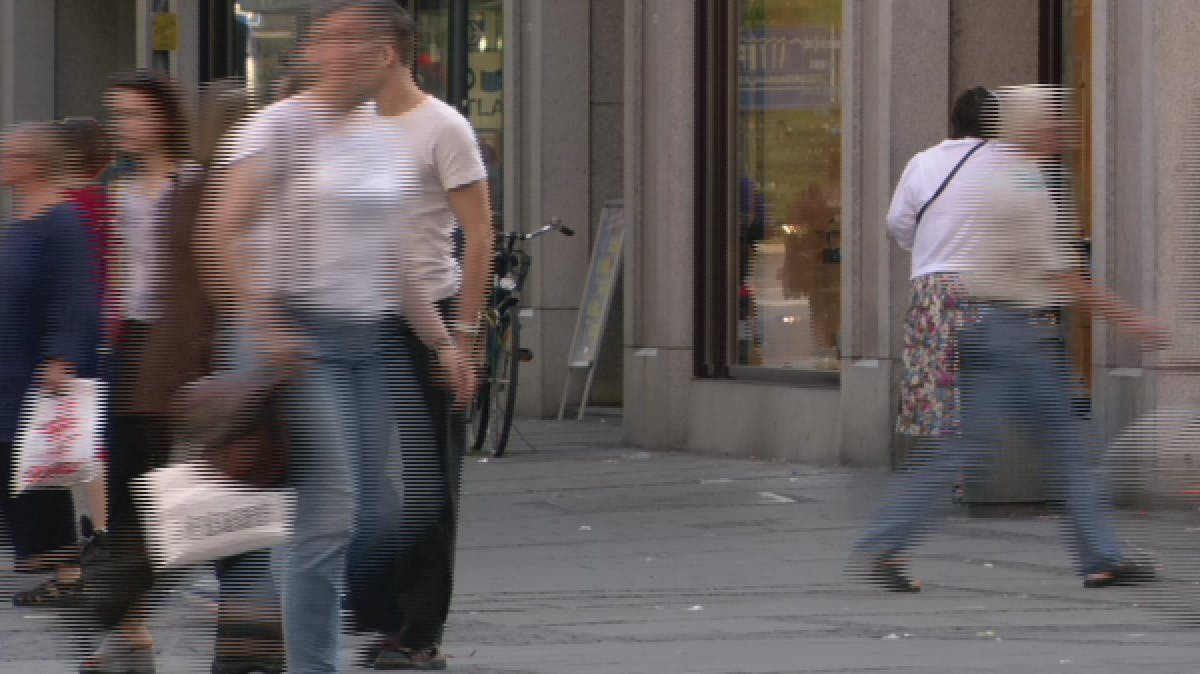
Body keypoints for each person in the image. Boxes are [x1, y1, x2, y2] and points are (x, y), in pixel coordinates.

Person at [202, 1, 473, 670]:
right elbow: (221, 233)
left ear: (389, 53)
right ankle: (304, 656)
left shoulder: (379, 138)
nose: (348, 50)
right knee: (331, 519)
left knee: (386, 516)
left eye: (363, 39)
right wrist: (263, 321)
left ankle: (253, 587)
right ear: (313, 52)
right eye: (334, 38)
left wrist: (443, 341)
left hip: (369, 339)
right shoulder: (277, 129)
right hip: (295, 336)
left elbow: (393, 263)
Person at [852, 84, 1168, 592]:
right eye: (1053, 122)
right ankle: (1102, 557)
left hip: (956, 313)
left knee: (957, 445)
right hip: (1011, 330)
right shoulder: (1023, 179)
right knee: (1066, 447)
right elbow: (1062, 274)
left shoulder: (944, 165)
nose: (1063, 131)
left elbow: (899, 224)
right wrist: (1134, 320)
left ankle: (887, 540)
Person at [352, 3, 492, 667]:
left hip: (427, 313)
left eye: (351, 44)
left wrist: (462, 331)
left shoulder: (445, 128)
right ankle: (375, 610)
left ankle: (417, 632)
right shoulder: (344, 124)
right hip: (354, 313)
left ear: (388, 54)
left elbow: (482, 236)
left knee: (426, 477)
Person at [0, 123, 100, 606]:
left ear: (34, 163)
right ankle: (58, 565)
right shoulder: (23, 215)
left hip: (33, 368)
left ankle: (69, 571)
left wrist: (61, 356)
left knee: (36, 470)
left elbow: (73, 290)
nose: (2, 161)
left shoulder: (61, 219)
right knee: (20, 468)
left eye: (10, 154)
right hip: (10, 359)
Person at [886, 87, 997, 490]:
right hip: (988, 282)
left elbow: (898, 221)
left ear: (954, 121)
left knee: (938, 377)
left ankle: (945, 469)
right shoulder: (1009, 163)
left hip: (934, 283)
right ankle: (983, 468)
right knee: (985, 375)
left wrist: (927, 246)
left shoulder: (924, 162)